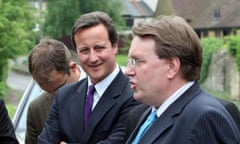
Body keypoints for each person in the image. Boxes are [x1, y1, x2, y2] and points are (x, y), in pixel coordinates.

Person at [125, 15, 240, 144]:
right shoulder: (147, 114)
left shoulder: (203, 119)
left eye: (136, 62)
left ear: (172, 67)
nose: (128, 71)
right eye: (128, 62)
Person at [38, 11, 139, 144]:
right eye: (84, 50)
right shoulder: (64, 96)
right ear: (77, 53)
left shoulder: (133, 95)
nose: (92, 58)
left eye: (99, 48)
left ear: (115, 46)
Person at [25, 38, 82, 144]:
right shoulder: (37, 109)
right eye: (45, 90)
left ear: (72, 68)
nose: (55, 97)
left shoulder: (103, 93)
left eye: (58, 89)